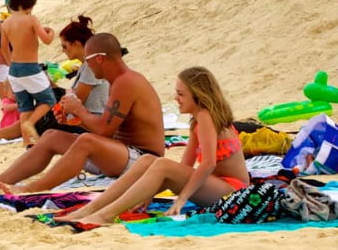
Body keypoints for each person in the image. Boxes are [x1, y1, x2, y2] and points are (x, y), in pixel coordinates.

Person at [0, 32, 164, 192]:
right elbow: (108, 127)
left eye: (88, 60)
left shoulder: (127, 82)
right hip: (122, 153)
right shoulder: (118, 81)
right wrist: (74, 119)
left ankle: (32, 188)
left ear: (99, 59)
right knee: (51, 136)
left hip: (143, 160)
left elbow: (103, 132)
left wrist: (78, 110)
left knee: (86, 141)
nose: (87, 65)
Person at [57, 66, 249, 226]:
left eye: (181, 94)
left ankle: (104, 215)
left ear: (198, 96)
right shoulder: (197, 121)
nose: (176, 98)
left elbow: (208, 164)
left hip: (233, 193)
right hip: (219, 187)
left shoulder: (206, 117)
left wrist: (182, 199)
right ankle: (91, 209)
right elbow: (184, 167)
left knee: (161, 165)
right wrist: (150, 189)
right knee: (149, 160)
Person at [0, 0, 56, 145]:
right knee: (48, 100)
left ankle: (26, 141)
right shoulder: (31, 19)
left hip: (14, 69)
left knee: (25, 106)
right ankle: (30, 123)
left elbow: (4, 47)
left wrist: (11, 63)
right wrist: (51, 32)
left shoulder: (6, 23)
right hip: (30, 67)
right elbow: (46, 40)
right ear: (31, 3)